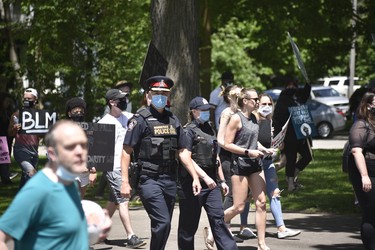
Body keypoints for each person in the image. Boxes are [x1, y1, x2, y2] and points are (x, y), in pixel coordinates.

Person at [0, 120, 111, 250]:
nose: (80, 152)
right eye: (70, 146)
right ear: (52, 154)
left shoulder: (71, 185)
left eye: (83, 145)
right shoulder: (38, 190)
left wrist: (95, 232)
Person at [121, 76, 202, 250]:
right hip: (148, 179)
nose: (161, 96)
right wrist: (125, 182)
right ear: (149, 94)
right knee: (163, 222)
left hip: (170, 179)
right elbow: (126, 152)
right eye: (157, 93)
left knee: (163, 226)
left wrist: (195, 177)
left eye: (164, 93)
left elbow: (183, 152)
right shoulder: (140, 119)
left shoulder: (173, 120)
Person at [178, 96, 237, 250]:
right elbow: (186, 157)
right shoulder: (188, 131)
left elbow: (215, 156)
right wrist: (203, 177)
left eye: (208, 110)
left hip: (212, 184)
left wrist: (222, 180)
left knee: (218, 219)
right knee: (188, 225)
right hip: (193, 184)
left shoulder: (210, 128)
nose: (206, 113)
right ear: (194, 111)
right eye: (203, 111)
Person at [223, 88, 273, 250]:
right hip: (240, 165)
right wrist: (247, 152)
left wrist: (264, 149)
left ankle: (261, 243)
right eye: (255, 99)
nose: (258, 102)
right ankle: (215, 225)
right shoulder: (236, 119)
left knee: (262, 203)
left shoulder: (255, 118)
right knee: (239, 207)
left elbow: (252, 141)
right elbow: (227, 144)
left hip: (255, 165)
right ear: (245, 101)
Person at [98, 89, 145, 248]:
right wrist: (92, 171)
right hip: (113, 167)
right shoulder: (104, 123)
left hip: (126, 166)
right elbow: (99, 151)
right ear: (112, 102)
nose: (124, 101)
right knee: (123, 200)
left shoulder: (129, 118)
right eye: (121, 99)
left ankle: (97, 233)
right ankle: (131, 236)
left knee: (113, 201)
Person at [255, 94, 301, 239]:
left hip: (268, 162)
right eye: (264, 104)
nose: (267, 107)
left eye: (269, 104)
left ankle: (281, 228)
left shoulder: (272, 123)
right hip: (255, 163)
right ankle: (243, 227)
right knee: (250, 196)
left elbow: (277, 144)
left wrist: (278, 143)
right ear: (257, 104)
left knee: (275, 193)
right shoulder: (252, 121)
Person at [216, 85, 254, 242]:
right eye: (238, 92)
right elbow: (220, 139)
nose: (241, 94)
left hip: (240, 156)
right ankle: (226, 230)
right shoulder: (227, 113)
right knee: (231, 195)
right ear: (230, 96)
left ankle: (227, 228)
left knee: (242, 195)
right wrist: (233, 148)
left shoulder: (241, 113)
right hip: (228, 157)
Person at [272, 79, 312, 191]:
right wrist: (279, 139)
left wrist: (308, 83)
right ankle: (290, 184)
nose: (291, 88)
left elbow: (306, 92)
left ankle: (293, 174)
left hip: (302, 135)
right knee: (291, 159)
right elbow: (277, 121)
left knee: (308, 156)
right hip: (289, 136)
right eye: (288, 86)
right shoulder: (282, 101)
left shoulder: (299, 99)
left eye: (293, 86)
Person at [348, 92, 375, 249]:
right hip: (366, 173)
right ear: (368, 105)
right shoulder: (361, 125)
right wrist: (364, 176)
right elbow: (356, 151)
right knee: (371, 211)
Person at [8, 88, 41, 189]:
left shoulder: (40, 116)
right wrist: (14, 129)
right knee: (32, 174)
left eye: (29, 98)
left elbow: (44, 135)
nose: (26, 100)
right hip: (21, 150)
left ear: (35, 100)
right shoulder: (16, 115)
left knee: (26, 179)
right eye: (25, 98)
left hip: (34, 151)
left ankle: (19, 201)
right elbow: (9, 133)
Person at [65, 97, 97, 198]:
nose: (78, 114)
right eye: (75, 111)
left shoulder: (89, 130)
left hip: (84, 172)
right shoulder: (63, 130)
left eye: (81, 111)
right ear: (69, 113)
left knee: (79, 199)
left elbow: (93, 149)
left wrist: (93, 170)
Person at [0, 93, 17, 185]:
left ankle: (5, 178)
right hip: (2, 138)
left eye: (9, 102)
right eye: (6, 101)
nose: (8, 104)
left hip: (7, 139)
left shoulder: (8, 113)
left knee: (5, 160)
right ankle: (5, 178)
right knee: (4, 160)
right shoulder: (2, 114)